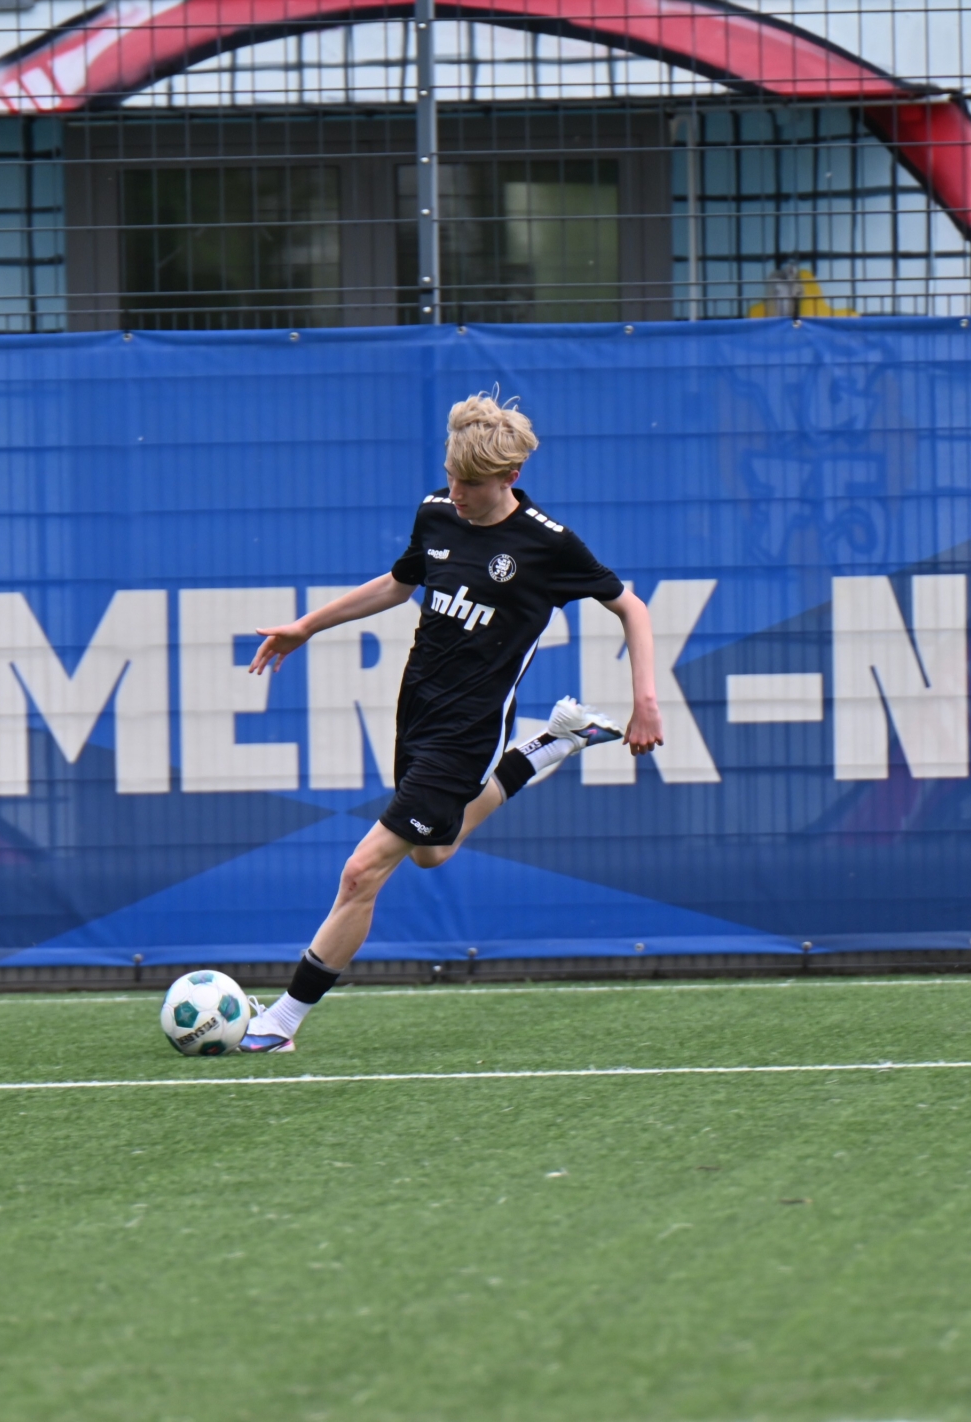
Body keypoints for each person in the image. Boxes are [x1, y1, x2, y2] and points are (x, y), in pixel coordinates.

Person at [235, 393, 664, 1053]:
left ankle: (283, 1021)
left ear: (510, 479)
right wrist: (306, 626)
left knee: (363, 871)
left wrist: (647, 702)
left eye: (472, 483)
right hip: (418, 709)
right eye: (452, 475)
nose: (456, 492)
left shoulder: (547, 545)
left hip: (469, 730)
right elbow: (398, 582)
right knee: (432, 852)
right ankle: (553, 744)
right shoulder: (438, 512)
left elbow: (630, 608)